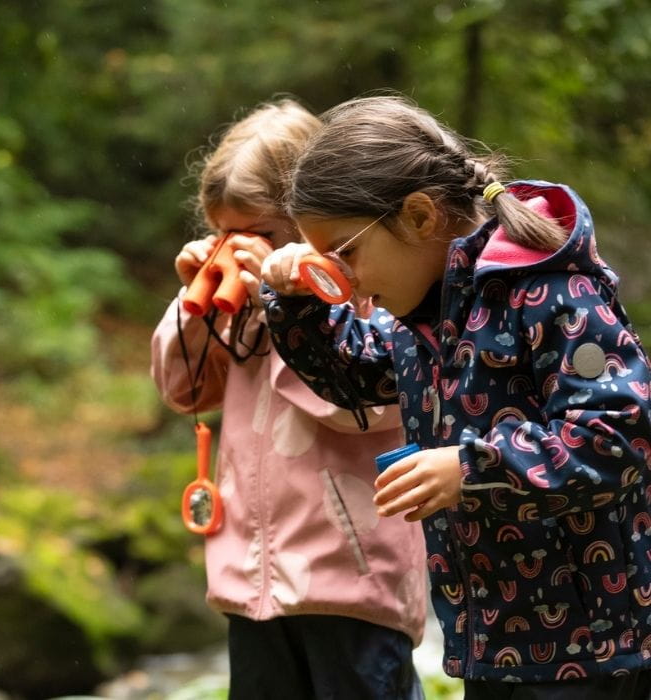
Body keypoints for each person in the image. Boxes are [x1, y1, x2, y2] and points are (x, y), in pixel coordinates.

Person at [260, 94, 651, 699]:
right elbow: (351, 376)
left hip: (596, 646)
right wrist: (297, 301)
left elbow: (620, 431)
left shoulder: (549, 289)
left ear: (419, 217)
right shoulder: (424, 318)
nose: (346, 279)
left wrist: (471, 469)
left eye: (344, 253)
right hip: (491, 644)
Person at [150, 99, 428, 700]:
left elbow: (357, 406)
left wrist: (289, 309)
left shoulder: (364, 292)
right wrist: (193, 306)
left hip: (353, 580)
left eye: (262, 235)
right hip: (251, 580)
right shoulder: (238, 308)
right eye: (225, 233)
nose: (241, 249)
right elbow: (183, 389)